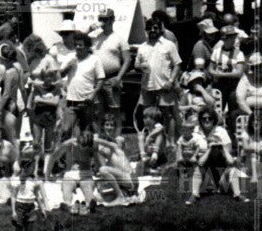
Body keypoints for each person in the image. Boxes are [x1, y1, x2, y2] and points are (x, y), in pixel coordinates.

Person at [186, 106, 246, 203]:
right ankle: (194, 195)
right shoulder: (196, 132)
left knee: (232, 169)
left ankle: (238, 194)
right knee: (198, 167)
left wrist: (220, 146)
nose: (207, 120)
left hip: (221, 172)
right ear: (200, 120)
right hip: (205, 173)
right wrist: (209, 148)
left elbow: (230, 160)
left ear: (214, 120)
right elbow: (195, 158)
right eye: (204, 118)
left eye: (210, 118)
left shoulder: (221, 132)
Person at [135, 19, 182, 139]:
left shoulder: (168, 45)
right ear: (146, 30)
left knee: (168, 115)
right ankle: (150, 139)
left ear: (160, 29)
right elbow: (136, 65)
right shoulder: (142, 47)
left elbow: (177, 64)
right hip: (147, 85)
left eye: (155, 28)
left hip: (164, 85)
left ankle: (170, 142)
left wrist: (171, 81)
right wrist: (140, 66)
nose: (152, 31)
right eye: (150, 28)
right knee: (147, 115)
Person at [92, 8, 132, 136]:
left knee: (115, 110)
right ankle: (99, 138)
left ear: (112, 20)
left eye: (105, 19)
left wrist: (119, 78)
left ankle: (117, 138)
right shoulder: (96, 38)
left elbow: (127, 60)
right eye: (101, 19)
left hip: (112, 77)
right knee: (98, 110)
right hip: (98, 79)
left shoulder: (119, 38)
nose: (102, 22)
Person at [48, 129, 101, 214]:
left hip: (85, 173)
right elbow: (53, 157)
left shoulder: (93, 146)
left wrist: (97, 171)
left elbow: (99, 162)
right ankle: (68, 204)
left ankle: (88, 204)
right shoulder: (69, 145)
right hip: (70, 173)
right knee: (67, 187)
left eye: (86, 148)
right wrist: (47, 176)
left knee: (87, 187)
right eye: (82, 146)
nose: (84, 149)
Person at [65, 31, 105, 136]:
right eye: (76, 45)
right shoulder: (70, 57)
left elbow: (101, 79)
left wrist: (93, 94)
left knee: (90, 132)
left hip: (88, 101)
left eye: (80, 45)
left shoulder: (94, 59)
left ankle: (94, 151)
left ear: (87, 47)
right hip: (72, 101)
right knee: (65, 130)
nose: (78, 47)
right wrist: (68, 66)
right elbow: (60, 74)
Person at [94, 116, 140, 204]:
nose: (109, 127)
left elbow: (109, 143)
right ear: (103, 126)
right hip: (124, 180)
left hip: (130, 179)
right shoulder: (106, 150)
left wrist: (96, 139)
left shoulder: (118, 143)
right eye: (107, 125)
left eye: (111, 125)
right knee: (99, 197)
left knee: (103, 170)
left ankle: (120, 197)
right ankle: (127, 194)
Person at [9, 150, 49, 231]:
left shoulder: (33, 181)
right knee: (18, 229)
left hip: (31, 206)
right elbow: (13, 196)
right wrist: (13, 211)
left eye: (34, 167)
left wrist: (42, 209)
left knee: (29, 230)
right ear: (25, 168)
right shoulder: (18, 180)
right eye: (32, 167)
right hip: (20, 205)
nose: (33, 169)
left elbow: (37, 196)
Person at [209, 24, 246, 107]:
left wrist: (221, 74)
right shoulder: (216, 52)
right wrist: (214, 73)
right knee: (217, 107)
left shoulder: (239, 53)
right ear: (224, 38)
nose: (233, 39)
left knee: (233, 102)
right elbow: (210, 69)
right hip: (219, 84)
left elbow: (239, 73)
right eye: (230, 37)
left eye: (234, 37)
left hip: (233, 85)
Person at [138, 106, 168, 172]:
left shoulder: (158, 126)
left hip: (158, 153)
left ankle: (155, 154)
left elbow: (161, 128)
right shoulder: (145, 129)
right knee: (141, 136)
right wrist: (146, 141)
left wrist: (149, 136)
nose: (144, 120)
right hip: (148, 152)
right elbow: (143, 142)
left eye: (146, 118)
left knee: (159, 135)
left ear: (153, 119)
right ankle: (142, 155)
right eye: (144, 118)